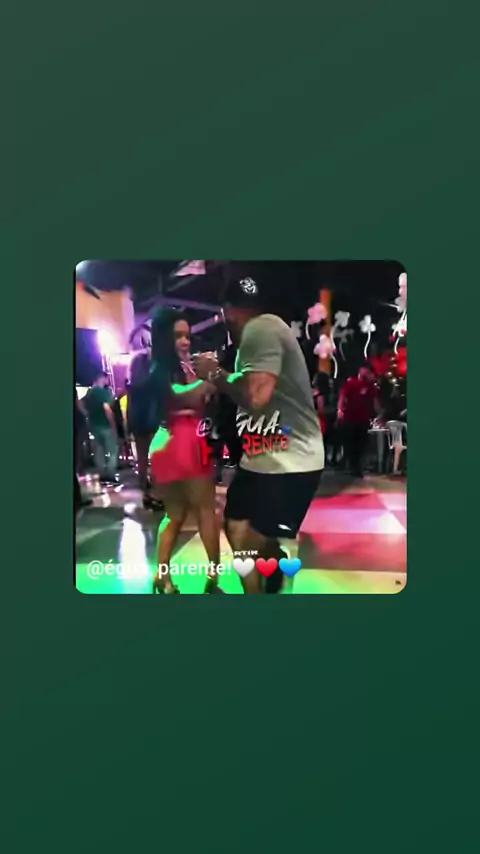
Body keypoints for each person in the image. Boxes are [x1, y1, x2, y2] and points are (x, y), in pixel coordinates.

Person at [194, 275, 325, 594]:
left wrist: (212, 373)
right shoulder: (259, 334)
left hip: (288, 460)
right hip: (261, 457)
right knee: (237, 528)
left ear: (226, 311)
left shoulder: (260, 329)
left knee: (258, 538)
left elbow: (255, 395)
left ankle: (278, 571)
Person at [148, 309, 221, 594]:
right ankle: (213, 576)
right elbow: (184, 396)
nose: (185, 341)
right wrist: (212, 378)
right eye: (178, 335)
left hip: (167, 442)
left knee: (174, 515)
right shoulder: (164, 369)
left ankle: (162, 575)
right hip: (185, 441)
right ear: (164, 337)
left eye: (187, 335)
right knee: (205, 511)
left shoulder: (167, 367)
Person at [127, 353, 163, 510]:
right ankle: (155, 491)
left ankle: (144, 488)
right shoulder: (152, 382)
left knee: (141, 458)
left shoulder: (132, 385)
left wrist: (129, 426)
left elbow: (130, 408)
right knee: (156, 458)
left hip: (137, 422)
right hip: (152, 421)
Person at [337, 364, 381, 478]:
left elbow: (375, 402)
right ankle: (352, 466)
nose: (365, 372)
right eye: (364, 370)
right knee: (351, 443)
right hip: (349, 418)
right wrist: (340, 410)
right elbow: (343, 397)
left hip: (363, 419)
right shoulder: (351, 383)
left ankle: (357, 467)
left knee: (361, 444)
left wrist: (380, 414)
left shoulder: (371, 386)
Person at [83, 372, 119, 485]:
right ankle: (110, 474)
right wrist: (113, 425)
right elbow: (107, 408)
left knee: (99, 451)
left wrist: (88, 417)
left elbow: (82, 405)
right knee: (112, 451)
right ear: (101, 378)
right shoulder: (104, 392)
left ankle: (102, 474)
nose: (107, 381)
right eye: (106, 378)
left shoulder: (89, 393)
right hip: (106, 425)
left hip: (94, 426)